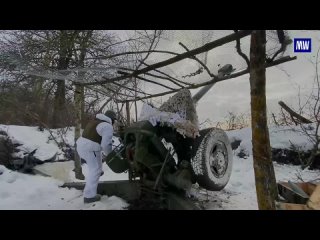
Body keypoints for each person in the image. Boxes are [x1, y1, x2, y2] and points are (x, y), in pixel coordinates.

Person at [76, 110, 117, 203]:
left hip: (83, 146)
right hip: (90, 148)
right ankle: (89, 196)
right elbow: (106, 145)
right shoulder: (107, 126)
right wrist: (110, 155)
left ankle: (96, 176)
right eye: (114, 120)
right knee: (95, 170)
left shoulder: (95, 121)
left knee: (96, 169)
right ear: (112, 119)